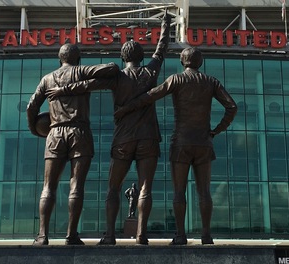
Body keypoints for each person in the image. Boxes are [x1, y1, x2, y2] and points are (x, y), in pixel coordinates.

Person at [46, 14, 171, 245]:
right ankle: (142, 235)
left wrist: (63, 90)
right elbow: (162, 48)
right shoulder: (150, 71)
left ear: (123, 57)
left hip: (123, 139)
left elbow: (88, 85)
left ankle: (110, 235)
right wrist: (165, 25)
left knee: (114, 187)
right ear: (141, 57)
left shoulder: (117, 77)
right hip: (148, 138)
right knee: (145, 187)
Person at [114, 47, 237, 245]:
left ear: (182, 62)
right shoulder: (211, 81)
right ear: (200, 62)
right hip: (204, 142)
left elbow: (150, 96)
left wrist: (126, 108)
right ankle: (206, 235)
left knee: (179, 192)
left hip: (181, 142)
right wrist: (216, 130)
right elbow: (232, 106)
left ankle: (180, 235)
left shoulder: (176, 80)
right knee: (204, 191)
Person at [26, 43, 119, 245]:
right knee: (76, 185)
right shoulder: (81, 71)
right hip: (79, 132)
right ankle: (71, 235)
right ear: (78, 59)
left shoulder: (47, 79)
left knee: (48, 186)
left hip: (55, 133)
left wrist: (35, 129)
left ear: (60, 59)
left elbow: (31, 106)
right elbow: (112, 67)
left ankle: (42, 235)